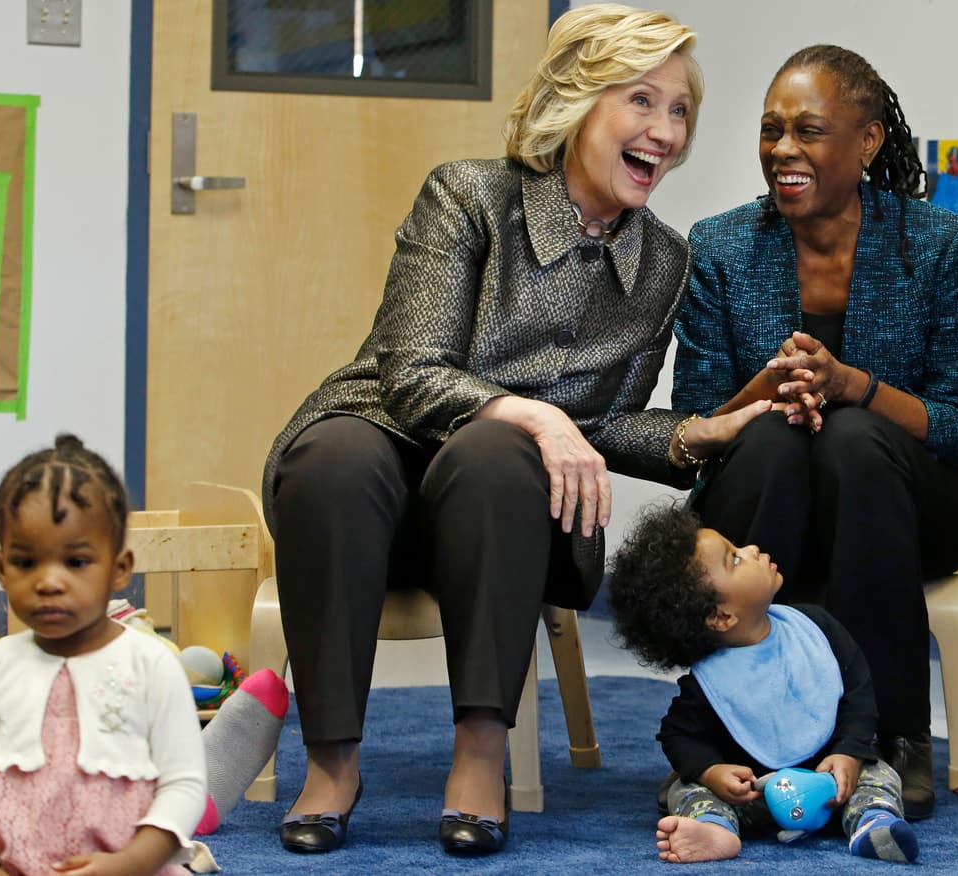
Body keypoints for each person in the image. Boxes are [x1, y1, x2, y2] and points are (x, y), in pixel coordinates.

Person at [262, 3, 770, 856]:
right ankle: (331, 762)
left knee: (501, 457)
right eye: (640, 101)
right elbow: (412, 368)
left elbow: (603, 423)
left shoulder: (664, 262)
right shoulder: (467, 195)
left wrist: (694, 437)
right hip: (378, 464)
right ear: (576, 101)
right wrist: (533, 412)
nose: (666, 131)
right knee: (337, 457)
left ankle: (479, 753)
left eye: (679, 108)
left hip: (503, 508)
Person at [671, 45, 958, 820]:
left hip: (911, 505)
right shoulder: (721, 246)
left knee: (851, 438)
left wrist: (856, 388)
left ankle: (891, 738)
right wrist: (764, 391)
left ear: (869, 142)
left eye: (809, 131)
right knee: (777, 438)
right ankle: (732, 738)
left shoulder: (938, 245)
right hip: (769, 507)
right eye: (771, 130)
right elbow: (696, 425)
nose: (783, 150)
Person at [0, 435, 206, 876]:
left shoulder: (151, 665)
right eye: (26, 562)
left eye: (76, 562)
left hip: (124, 866)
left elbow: (183, 784)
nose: (49, 582)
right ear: (2, 570)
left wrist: (129, 864)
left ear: (120, 568)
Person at [608, 504, 919, 865]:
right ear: (721, 616)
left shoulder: (815, 629)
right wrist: (713, 771)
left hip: (833, 785)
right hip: (754, 798)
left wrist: (848, 752)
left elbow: (858, 694)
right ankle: (714, 826)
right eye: (735, 560)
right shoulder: (707, 685)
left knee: (879, 773)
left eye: (737, 548)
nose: (751, 549)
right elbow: (678, 736)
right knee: (687, 787)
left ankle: (872, 821)